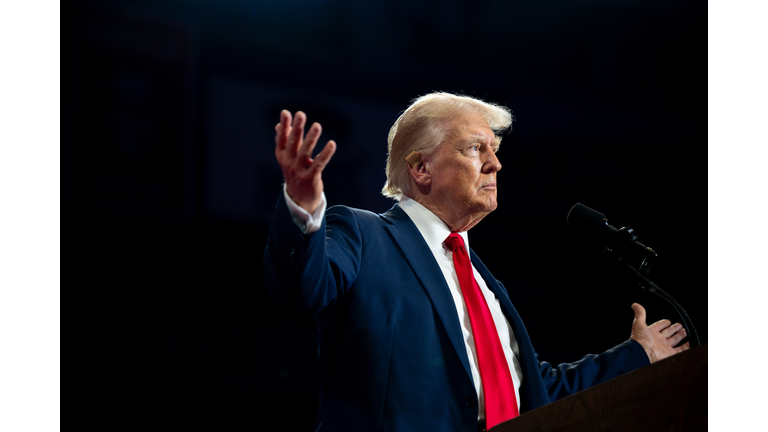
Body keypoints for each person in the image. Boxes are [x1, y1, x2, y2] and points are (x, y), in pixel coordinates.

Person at [263, 92, 689, 432]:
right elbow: (302, 287)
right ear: (422, 168)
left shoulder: (488, 288)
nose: (496, 163)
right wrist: (303, 209)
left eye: (495, 149)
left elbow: (536, 393)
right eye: (474, 148)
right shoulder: (364, 235)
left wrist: (637, 355)